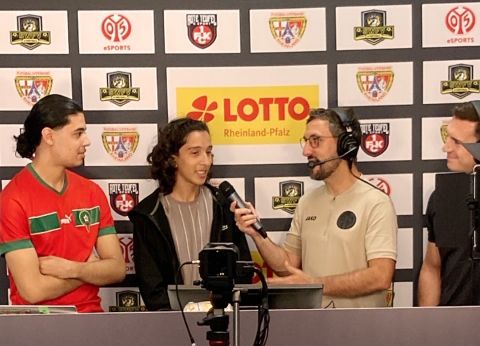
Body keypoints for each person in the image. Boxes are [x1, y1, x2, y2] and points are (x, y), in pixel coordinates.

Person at [232, 107, 397, 308]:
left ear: (346, 144)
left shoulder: (376, 202)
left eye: (316, 140)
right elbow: (287, 266)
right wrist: (257, 235)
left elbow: (380, 276)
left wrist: (314, 284)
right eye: (306, 141)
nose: (306, 151)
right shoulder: (307, 202)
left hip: (358, 326)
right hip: (314, 324)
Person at [0, 94, 126, 313]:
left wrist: (72, 269)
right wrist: (89, 270)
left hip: (92, 320)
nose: (86, 141)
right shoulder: (13, 199)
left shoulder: (91, 192)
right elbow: (33, 290)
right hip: (39, 324)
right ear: (48, 136)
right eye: (77, 133)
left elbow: (116, 269)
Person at [128, 117, 252, 310]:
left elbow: (243, 272)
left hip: (225, 318)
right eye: (195, 153)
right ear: (172, 159)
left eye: (209, 152)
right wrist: (182, 315)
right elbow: (152, 288)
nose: (206, 161)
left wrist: (223, 308)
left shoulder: (224, 205)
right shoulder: (148, 214)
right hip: (172, 322)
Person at [418, 101, 480, 306]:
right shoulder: (443, 196)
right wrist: (429, 321)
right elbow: (432, 267)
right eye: (448, 137)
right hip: (453, 322)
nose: (446, 147)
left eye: (457, 141)